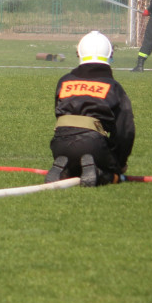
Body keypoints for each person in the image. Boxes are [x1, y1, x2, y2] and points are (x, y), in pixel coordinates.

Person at [45, 31, 135, 187]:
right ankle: (99, 173)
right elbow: (125, 131)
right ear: (109, 55)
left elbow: (58, 114)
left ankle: (64, 169)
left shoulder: (65, 81)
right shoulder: (113, 86)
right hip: (93, 144)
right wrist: (118, 163)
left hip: (60, 144)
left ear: (79, 53)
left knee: (75, 166)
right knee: (110, 171)